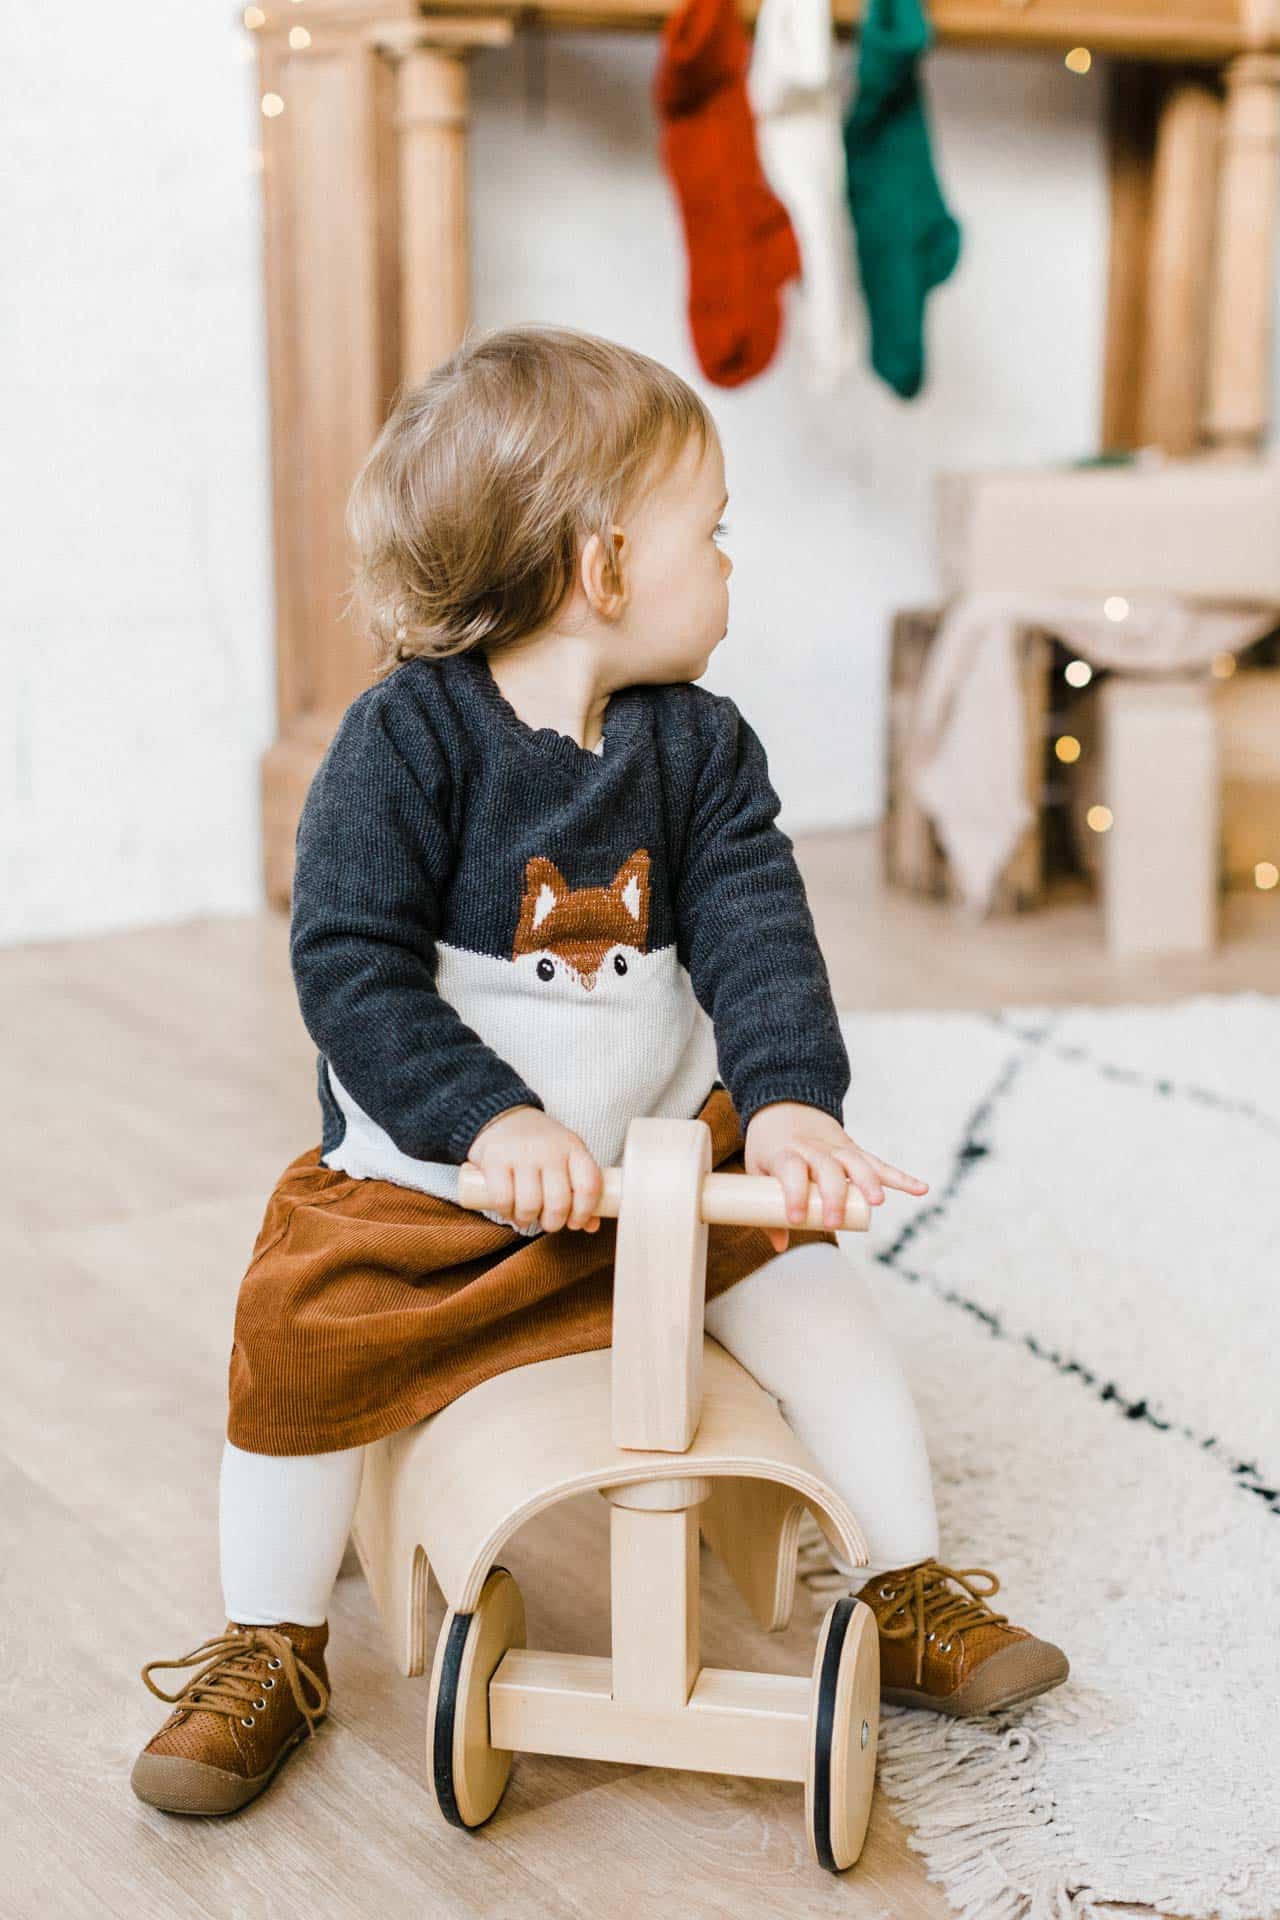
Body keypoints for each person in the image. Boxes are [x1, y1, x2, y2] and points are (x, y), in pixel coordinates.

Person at [131, 325, 1067, 1818]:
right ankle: (272, 1643)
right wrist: (486, 1120)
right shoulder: (404, 744)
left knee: (819, 1295)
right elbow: (348, 970)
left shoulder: (701, 750)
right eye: (714, 533)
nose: (732, 564)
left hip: (657, 1168)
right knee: (292, 1334)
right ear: (605, 568)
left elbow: (762, 934)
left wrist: (791, 1104)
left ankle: (904, 1586)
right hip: (440, 1191)